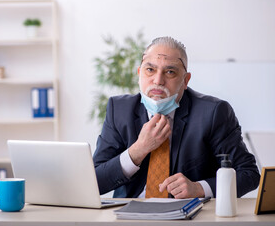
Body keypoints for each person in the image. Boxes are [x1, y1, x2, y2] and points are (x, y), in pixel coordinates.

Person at [93, 36, 260, 199]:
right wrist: (138, 149)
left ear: (185, 80)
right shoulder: (120, 110)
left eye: (170, 72)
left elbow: (248, 174)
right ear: (139, 73)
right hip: (129, 216)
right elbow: (94, 182)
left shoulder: (213, 113)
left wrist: (199, 188)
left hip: (190, 216)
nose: (158, 80)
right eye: (150, 70)